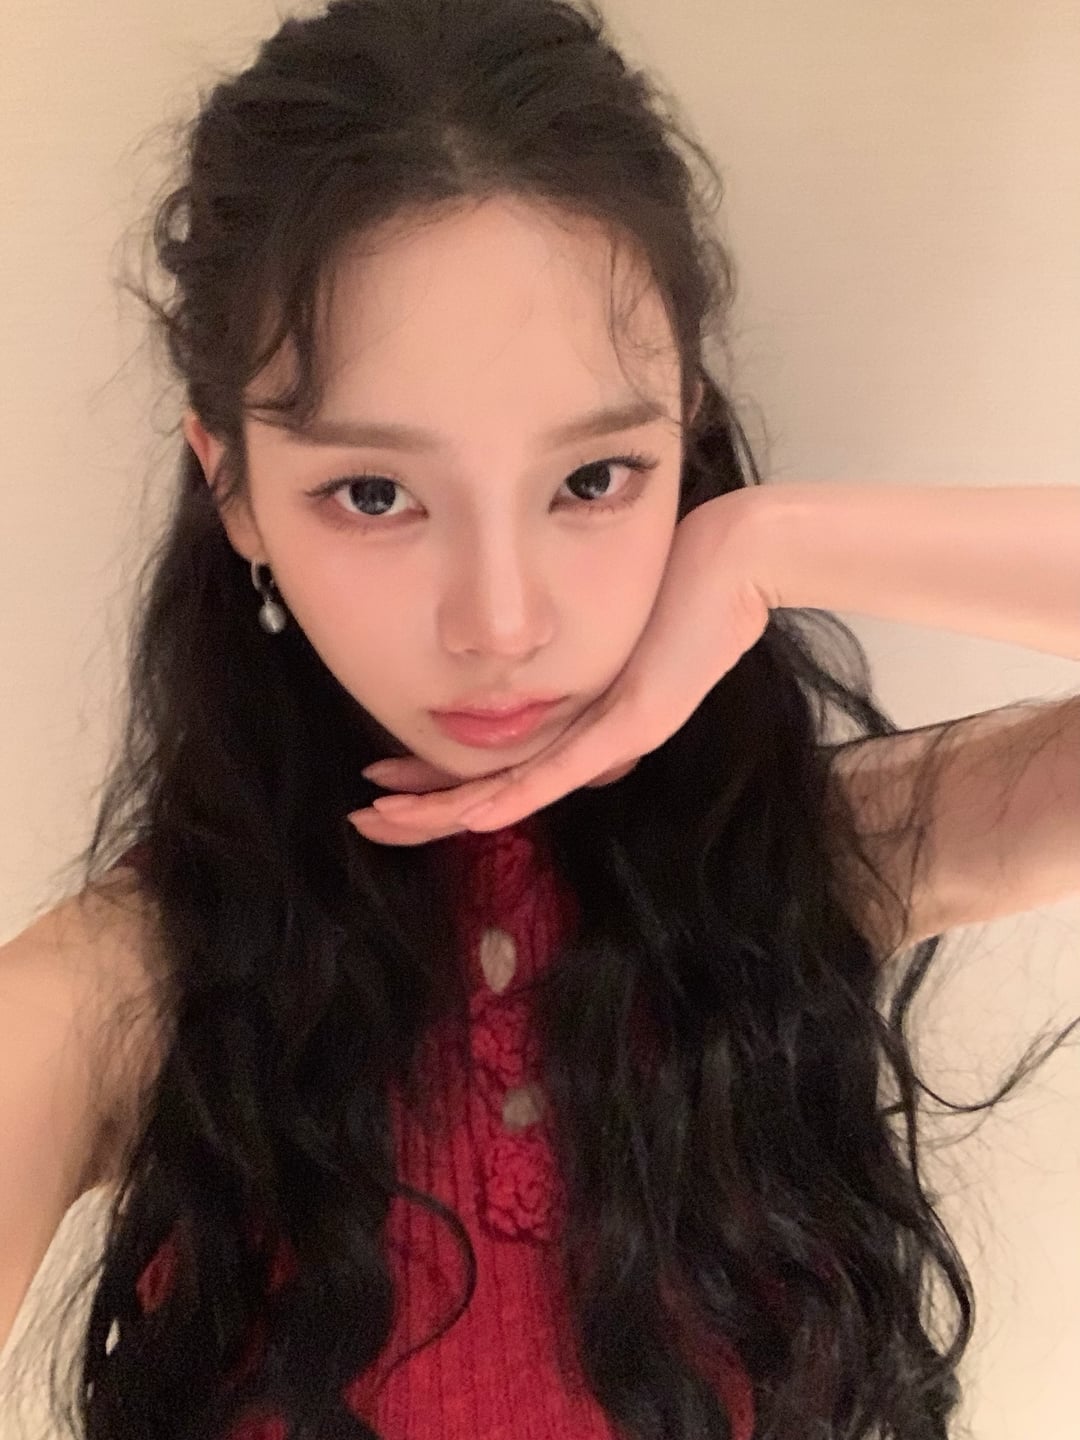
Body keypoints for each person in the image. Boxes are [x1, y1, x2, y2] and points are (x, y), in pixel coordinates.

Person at [2, 2, 1076, 1438]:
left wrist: (774, 542)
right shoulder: (116, 996)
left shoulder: (792, 864)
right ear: (234, 488)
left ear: (684, 438)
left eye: (592, 478)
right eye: (375, 493)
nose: (501, 621)